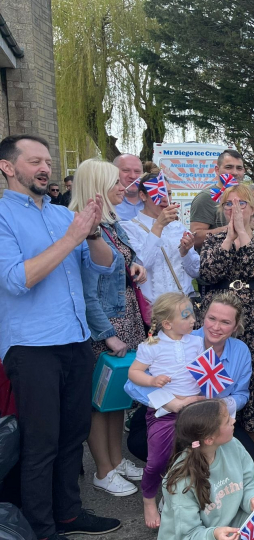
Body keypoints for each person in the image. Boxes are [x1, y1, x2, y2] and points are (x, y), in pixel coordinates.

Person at [0, 134, 121, 538]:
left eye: (47, 161)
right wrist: (71, 237)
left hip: (75, 340)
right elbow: (18, 280)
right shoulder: (2, 215)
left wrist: (91, 231)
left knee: (73, 436)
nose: (44, 168)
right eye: (34, 160)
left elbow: (103, 267)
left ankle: (69, 514)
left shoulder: (58, 214)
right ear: (7, 167)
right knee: (41, 443)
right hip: (31, 347)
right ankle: (40, 525)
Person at [73, 159, 148, 498]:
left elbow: (126, 259)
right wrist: (107, 334)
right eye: (116, 183)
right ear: (97, 187)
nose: (124, 187)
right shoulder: (84, 230)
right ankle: (102, 469)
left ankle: (117, 461)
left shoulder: (113, 224)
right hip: (105, 326)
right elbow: (87, 295)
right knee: (98, 401)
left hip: (127, 318)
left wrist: (136, 266)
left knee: (118, 396)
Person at [124, 291, 254, 471]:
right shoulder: (178, 338)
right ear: (203, 317)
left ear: (236, 326)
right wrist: (172, 402)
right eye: (212, 318)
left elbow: (241, 394)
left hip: (213, 419)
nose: (216, 327)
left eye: (226, 322)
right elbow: (132, 384)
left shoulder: (240, 351)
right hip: (168, 415)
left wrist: (219, 404)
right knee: (179, 460)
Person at [200, 184, 254, 444]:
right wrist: (229, 238)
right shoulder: (212, 241)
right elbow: (209, 274)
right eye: (229, 204)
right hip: (219, 312)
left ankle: (250, 447)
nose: (235, 209)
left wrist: (243, 233)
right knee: (215, 369)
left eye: (241, 204)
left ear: (253, 208)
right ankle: (210, 435)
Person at [158, 400, 254, 539]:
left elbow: (249, 482)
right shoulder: (181, 480)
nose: (233, 420)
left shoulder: (233, 444)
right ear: (209, 439)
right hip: (199, 536)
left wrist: (253, 498)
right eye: (227, 420)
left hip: (227, 524)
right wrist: (213, 535)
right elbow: (188, 533)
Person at [127, 293, 203, 529]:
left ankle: (191, 499)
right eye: (186, 315)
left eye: (192, 312)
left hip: (194, 409)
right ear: (168, 324)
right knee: (157, 460)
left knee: (196, 456)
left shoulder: (197, 341)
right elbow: (133, 373)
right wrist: (152, 381)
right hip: (164, 413)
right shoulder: (152, 346)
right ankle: (149, 499)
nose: (193, 319)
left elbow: (206, 368)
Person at [119, 175, 200, 303]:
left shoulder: (178, 227)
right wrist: (158, 226)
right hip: (151, 310)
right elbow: (141, 267)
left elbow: (195, 271)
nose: (165, 199)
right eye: (158, 193)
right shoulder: (129, 228)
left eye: (168, 193)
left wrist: (185, 253)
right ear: (143, 196)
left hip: (182, 307)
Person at [190, 149, 245, 249]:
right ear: (217, 169)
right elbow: (195, 239)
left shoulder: (246, 196)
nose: (235, 172)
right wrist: (229, 229)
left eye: (239, 168)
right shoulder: (206, 197)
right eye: (229, 167)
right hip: (216, 261)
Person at [113, 154, 145, 220]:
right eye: (126, 170)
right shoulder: (108, 204)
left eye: (137, 171)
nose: (132, 176)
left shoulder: (153, 202)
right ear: (114, 172)